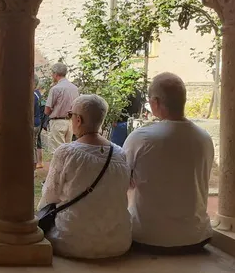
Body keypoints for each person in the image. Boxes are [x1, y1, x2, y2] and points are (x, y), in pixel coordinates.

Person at [124, 73, 214, 254]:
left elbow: (121, 179)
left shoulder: (141, 137)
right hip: (196, 238)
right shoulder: (204, 138)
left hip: (148, 238)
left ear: (155, 102)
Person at [38, 95, 132, 259]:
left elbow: (49, 196)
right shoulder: (120, 154)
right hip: (118, 241)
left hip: (72, 242)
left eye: (70, 115)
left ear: (78, 120)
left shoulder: (67, 152)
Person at [45, 62, 79, 150]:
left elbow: (47, 110)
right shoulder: (74, 88)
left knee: (57, 151)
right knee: (67, 150)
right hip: (70, 122)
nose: (52, 76)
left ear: (56, 74)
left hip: (57, 122)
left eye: (52, 73)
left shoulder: (55, 89)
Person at [34, 75, 45, 169]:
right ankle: (39, 161)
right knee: (36, 142)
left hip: (34, 122)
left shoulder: (33, 95)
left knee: (33, 144)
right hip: (38, 121)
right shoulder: (38, 94)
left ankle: (35, 163)